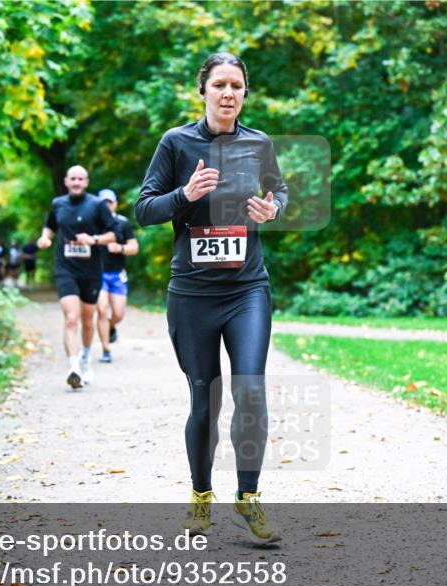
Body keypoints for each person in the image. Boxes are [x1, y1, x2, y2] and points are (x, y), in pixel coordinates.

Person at [135, 52, 288, 543]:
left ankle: (248, 496)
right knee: (205, 397)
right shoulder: (176, 142)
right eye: (219, 84)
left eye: (236, 86)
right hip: (193, 293)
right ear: (202, 90)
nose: (228, 93)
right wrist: (185, 194)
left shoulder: (259, 143)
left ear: (245, 93)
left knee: (251, 389)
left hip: (247, 288)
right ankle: (201, 496)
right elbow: (144, 209)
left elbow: (280, 192)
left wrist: (272, 210)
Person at [37, 165, 117, 389]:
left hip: (90, 270)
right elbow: (49, 226)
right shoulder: (58, 204)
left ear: (86, 182)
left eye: (80, 179)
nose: (76, 182)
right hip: (65, 268)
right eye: (73, 178)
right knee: (71, 318)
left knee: (87, 319)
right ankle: (73, 368)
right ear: (66, 181)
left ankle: (85, 358)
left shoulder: (97, 205)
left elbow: (114, 234)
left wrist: (94, 239)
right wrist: (45, 238)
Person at [95, 188, 139, 363]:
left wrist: (120, 248)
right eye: (103, 203)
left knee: (119, 314)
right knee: (101, 310)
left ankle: (111, 326)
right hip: (97, 274)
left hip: (117, 274)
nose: (107, 205)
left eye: (110, 202)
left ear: (115, 204)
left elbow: (134, 248)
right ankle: (106, 350)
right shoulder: (92, 223)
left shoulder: (122, 223)